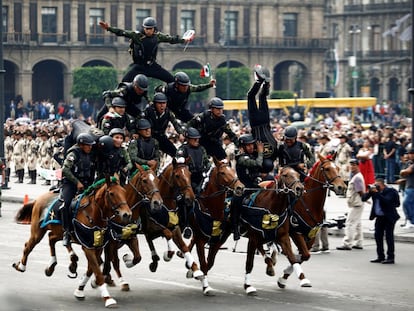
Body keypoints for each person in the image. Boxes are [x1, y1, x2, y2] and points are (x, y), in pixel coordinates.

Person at [99, 17, 192, 83]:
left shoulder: (158, 36)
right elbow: (122, 32)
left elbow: (171, 39)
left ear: (154, 29)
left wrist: (184, 40)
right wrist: (109, 28)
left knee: (171, 80)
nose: (148, 31)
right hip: (139, 67)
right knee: (124, 83)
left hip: (152, 66)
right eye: (146, 28)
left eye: (150, 29)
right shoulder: (137, 35)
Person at [61, 133, 96, 246]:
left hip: (87, 184)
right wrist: (77, 182)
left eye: (91, 145)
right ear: (81, 144)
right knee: (66, 204)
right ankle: (67, 232)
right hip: (71, 184)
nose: (90, 147)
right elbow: (65, 169)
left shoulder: (90, 154)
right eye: (88, 145)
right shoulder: (73, 154)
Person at [230, 134, 265, 240]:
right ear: (242, 147)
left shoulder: (253, 155)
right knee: (236, 201)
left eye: (252, 145)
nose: (251, 147)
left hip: (255, 185)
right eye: (248, 145)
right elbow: (258, 164)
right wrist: (260, 152)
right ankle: (235, 228)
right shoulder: (241, 158)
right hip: (244, 186)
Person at [246, 65, 278, 174]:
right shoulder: (256, 155)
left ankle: (266, 84)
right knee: (250, 97)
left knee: (262, 97)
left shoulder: (273, 152)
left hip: (265, 121)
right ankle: (259, 81)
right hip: (255, 124)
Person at [362, 177, 400, 264]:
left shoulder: (390, 191)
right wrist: (369, 192)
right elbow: (363, 199)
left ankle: (391, 257)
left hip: (389, 217)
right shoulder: (375, 192)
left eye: (378, 185)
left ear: (383, 185)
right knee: (378, 236)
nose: (376, 187)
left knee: (389, 237)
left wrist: (377, 193)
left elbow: (387, 202)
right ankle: (380, 256)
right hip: (379, 217)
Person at [337, 159, 366, 250]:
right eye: (351, 165)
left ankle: (347, 243)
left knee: (350, 223)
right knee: (357, 224)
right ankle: (358, 242)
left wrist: (364, 198)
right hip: (357, 203)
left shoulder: (357, 177)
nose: (352, 167)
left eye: (354, 165)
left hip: (356, 203)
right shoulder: (356, 176)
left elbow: (360, 191)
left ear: (358, 166)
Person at [145, 92, 185, 157]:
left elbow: (175, 123)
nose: (162, 106)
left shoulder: (168, 112)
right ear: (155, 104)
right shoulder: (148, 111)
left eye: (164, 103)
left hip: (161, 137)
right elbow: (138, 122)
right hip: (149, 138)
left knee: (175, 154)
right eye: (159, 103)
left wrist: (180, 133)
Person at [176, 127, 211, 196]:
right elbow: (179, 163)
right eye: (194, 139)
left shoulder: (202, 148)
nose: (197, 140)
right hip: (188, 178)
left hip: (201, 177)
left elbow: (206, 161)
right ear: (188, 139)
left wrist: (208, 167)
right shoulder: (182, 149)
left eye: (198, 138)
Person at [400, 148, 414, 229]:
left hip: (411, 187)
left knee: (406, 203)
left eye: (412, 153)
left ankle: (411, 221)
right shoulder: (409, 163)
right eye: (409, 153)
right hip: (408, 186)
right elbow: (403, 173)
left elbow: (405, 172)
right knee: (408, 204)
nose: (410, 155)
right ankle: (409, 221)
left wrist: (404, 172)